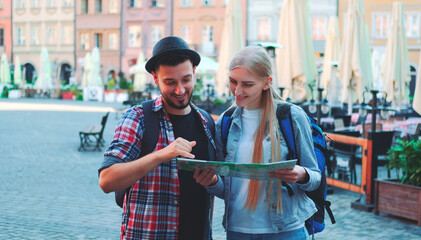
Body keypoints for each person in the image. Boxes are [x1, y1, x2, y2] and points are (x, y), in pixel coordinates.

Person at [193, 46, 321, 240]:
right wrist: (211, 182)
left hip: (285, 231)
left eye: (247, 84)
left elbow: (315, 178)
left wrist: (301, 174)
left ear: (267, 83)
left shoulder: (291, 116)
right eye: (233, 81)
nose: (237, 90)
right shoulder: (226, 122)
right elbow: (225, 188)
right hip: (238, 230)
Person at [99, 36, 216, 240]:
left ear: (194, 72)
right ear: (155, 78)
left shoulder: (205, 121)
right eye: (170, 82)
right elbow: (107, 180)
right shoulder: (138, 118)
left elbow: (212, 190)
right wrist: (161, 155)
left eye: (186, 80)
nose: (180, 90)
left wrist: (213, 180)